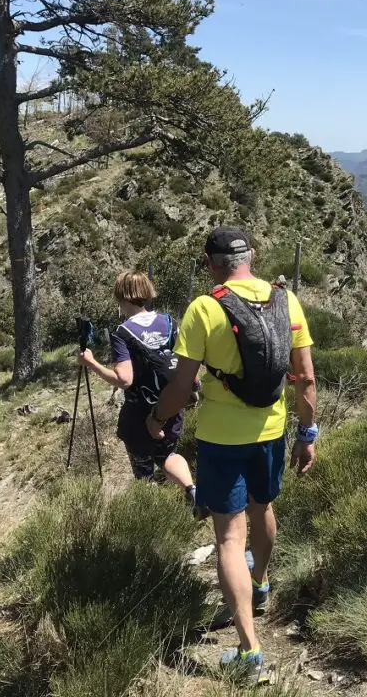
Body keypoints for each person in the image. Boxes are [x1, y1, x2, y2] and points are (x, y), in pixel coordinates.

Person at [146, 226, 317, 676]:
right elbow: (306, 378)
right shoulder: (287, 301)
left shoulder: (204, 309)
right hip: (272, 432)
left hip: (222, 439)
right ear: (252, 257)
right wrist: (307, 432)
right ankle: (260, 583)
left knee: (227, 538)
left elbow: (182, 385)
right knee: (264, 508)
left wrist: (157, 421)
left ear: (210, 265)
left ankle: (249, 651)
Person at [78, 270, 198, 507]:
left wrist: (91, 363)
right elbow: (185, 362)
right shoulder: (169, 322)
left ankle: (152, 516)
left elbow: (124, 380)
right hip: (171, 404)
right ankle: (192, 490)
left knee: (143, 468)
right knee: (167, 455)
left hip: (139, 412)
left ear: (121, 297)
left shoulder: (122, 332)